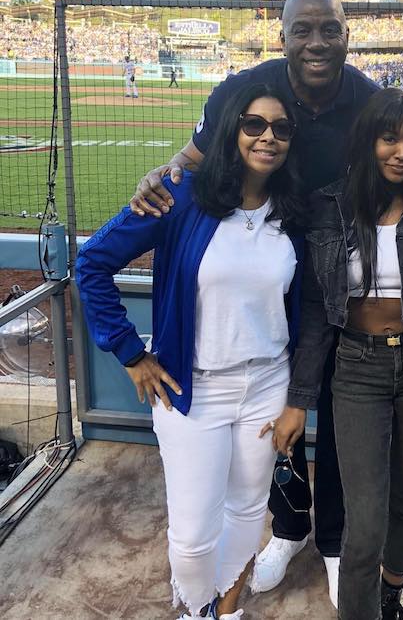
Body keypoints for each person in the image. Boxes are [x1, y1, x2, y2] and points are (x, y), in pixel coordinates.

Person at [127, 0, 403, 607]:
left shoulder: (366, 97)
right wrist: (161, 173)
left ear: (346, 34)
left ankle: (336, 542)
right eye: (302, 30)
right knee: (279, 418)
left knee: (345, 421)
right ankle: (288, 530)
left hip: (347, 276)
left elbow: (400, 167)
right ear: (281, 34)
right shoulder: (243, 89)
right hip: (277, 273)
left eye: (329, 30)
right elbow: (196, 157)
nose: (316, 43)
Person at [76, 84, 308, 619]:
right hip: (192, 387)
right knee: (194, 533)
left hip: (269, 386)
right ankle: (195, 609)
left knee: (248, 512)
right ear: (231, 130)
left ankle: (227, 612)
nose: (268, 137)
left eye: (281, 128)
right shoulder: (180, 196)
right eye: (254, 124)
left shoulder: (293, 211)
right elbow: (92, 264)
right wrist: (131, 353)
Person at [288, 89, 403, 619]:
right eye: (390, 138)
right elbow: (313, 318)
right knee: (364, 520)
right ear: (367, 140)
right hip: (357, 372)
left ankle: (390, 596)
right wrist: (299, 398)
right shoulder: (327, 208)